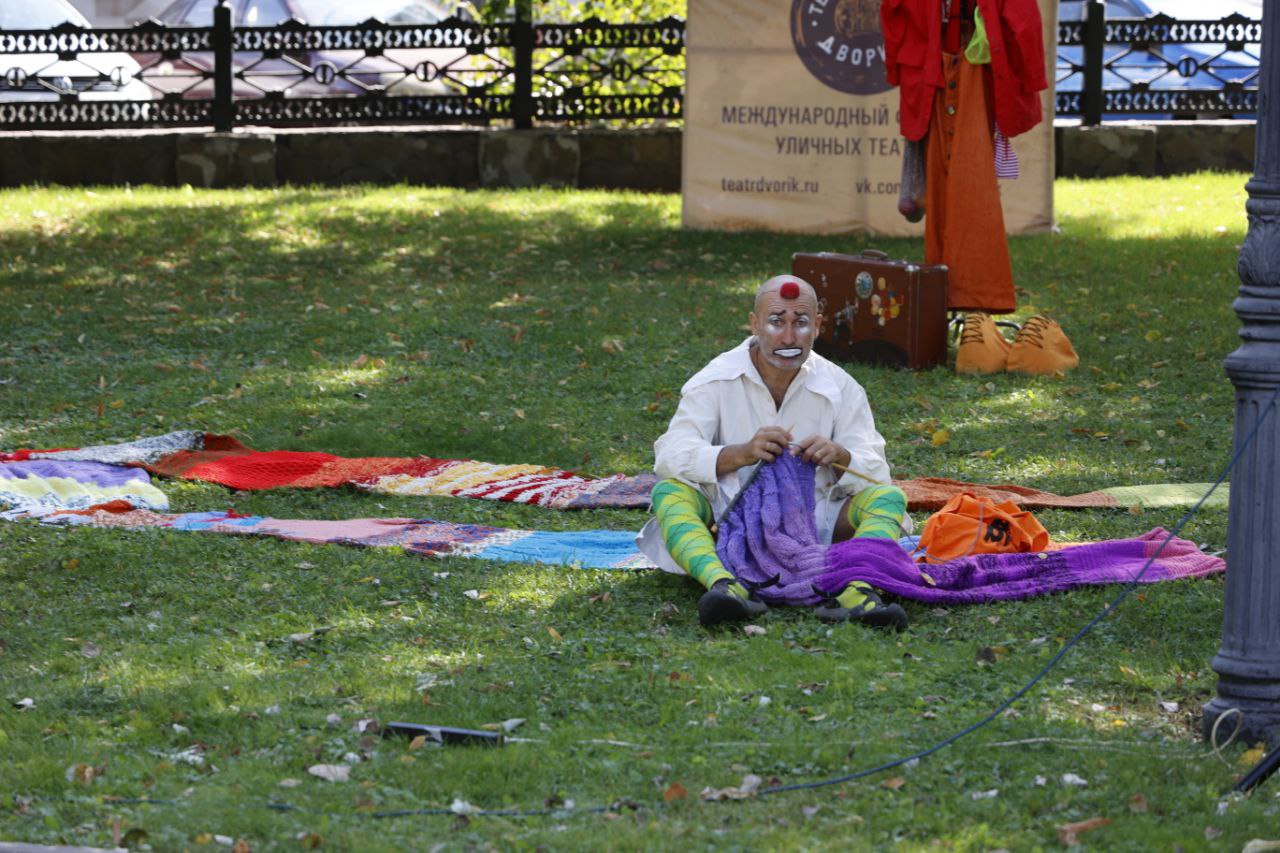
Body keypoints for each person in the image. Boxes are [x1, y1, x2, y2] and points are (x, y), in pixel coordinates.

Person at [635, 275, 911, 629]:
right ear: (754, 324)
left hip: (816, 524)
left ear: (818, 326)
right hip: (731, 522)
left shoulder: (842, 387)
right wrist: (741, 453)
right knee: (669, 493)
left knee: (888, 498)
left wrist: (840, 456)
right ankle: (724, 587)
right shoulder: (716, 379)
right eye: (776, 321)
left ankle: (857, 593)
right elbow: (671, 454)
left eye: (801, 323)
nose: (788, 337)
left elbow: (876, 470)